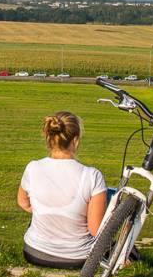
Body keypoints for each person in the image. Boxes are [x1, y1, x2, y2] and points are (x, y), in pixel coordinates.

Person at [17, 111, 107, 268]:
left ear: (48, 137)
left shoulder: (32, 168)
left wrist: (48, 212)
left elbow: (23, 203)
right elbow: (95, 230)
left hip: (34, 251)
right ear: (75, 140)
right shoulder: (92, 176)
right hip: (78, 257)